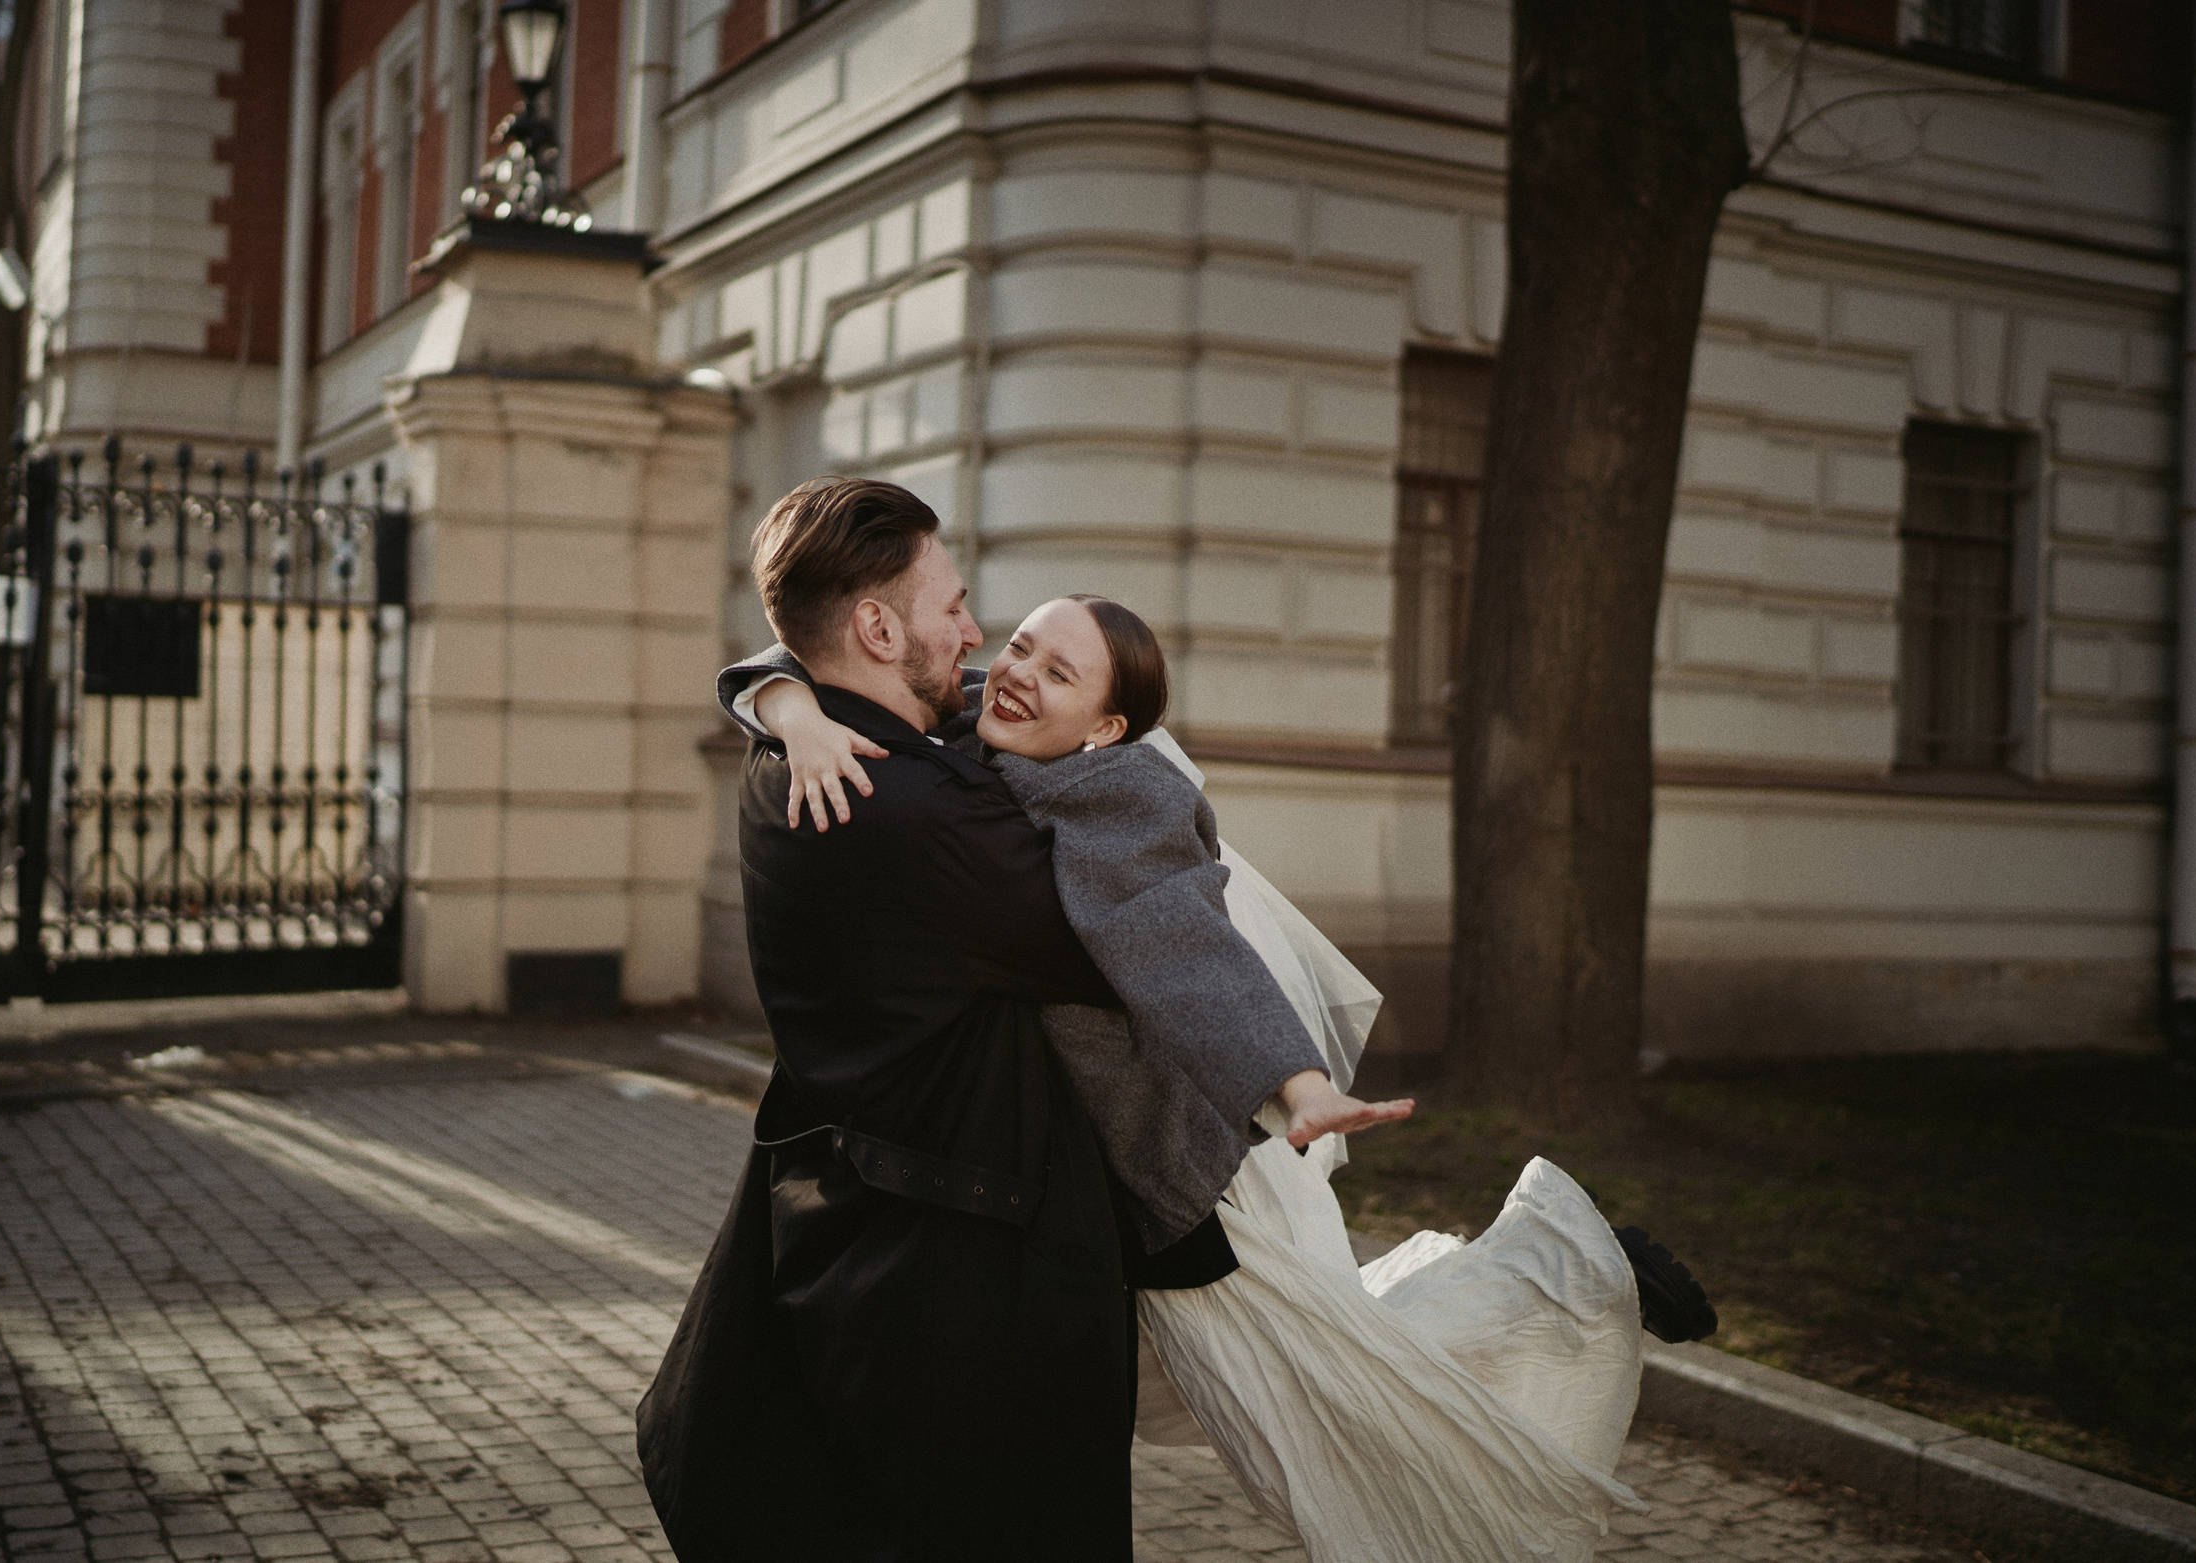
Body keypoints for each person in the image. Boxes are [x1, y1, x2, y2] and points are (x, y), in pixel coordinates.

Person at [726, 589, 1720, 1563]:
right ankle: (1561, 1271)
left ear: (1105, 725)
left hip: (1180, 1163)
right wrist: (789, 709)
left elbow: (1186, 950)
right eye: (1022, 647)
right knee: (1248, 1385)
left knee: (1304, 1397)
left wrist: (1299, 1084)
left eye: (1056, 671)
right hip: (1091, 1188)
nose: (1018, 673)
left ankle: (1579, 1268)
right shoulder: (982, 727)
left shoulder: (1120, 801)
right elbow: (811, 654)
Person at [634, 477, 1399, 1563]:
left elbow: (806, 670)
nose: (978, 636)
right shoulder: (912, 813)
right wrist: (1294, 1079)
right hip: (962, 1290)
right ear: (875, 625)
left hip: (856, 1239)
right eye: (952, 607)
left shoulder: (800, 761)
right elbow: (1154, 945)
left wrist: (782, 698)